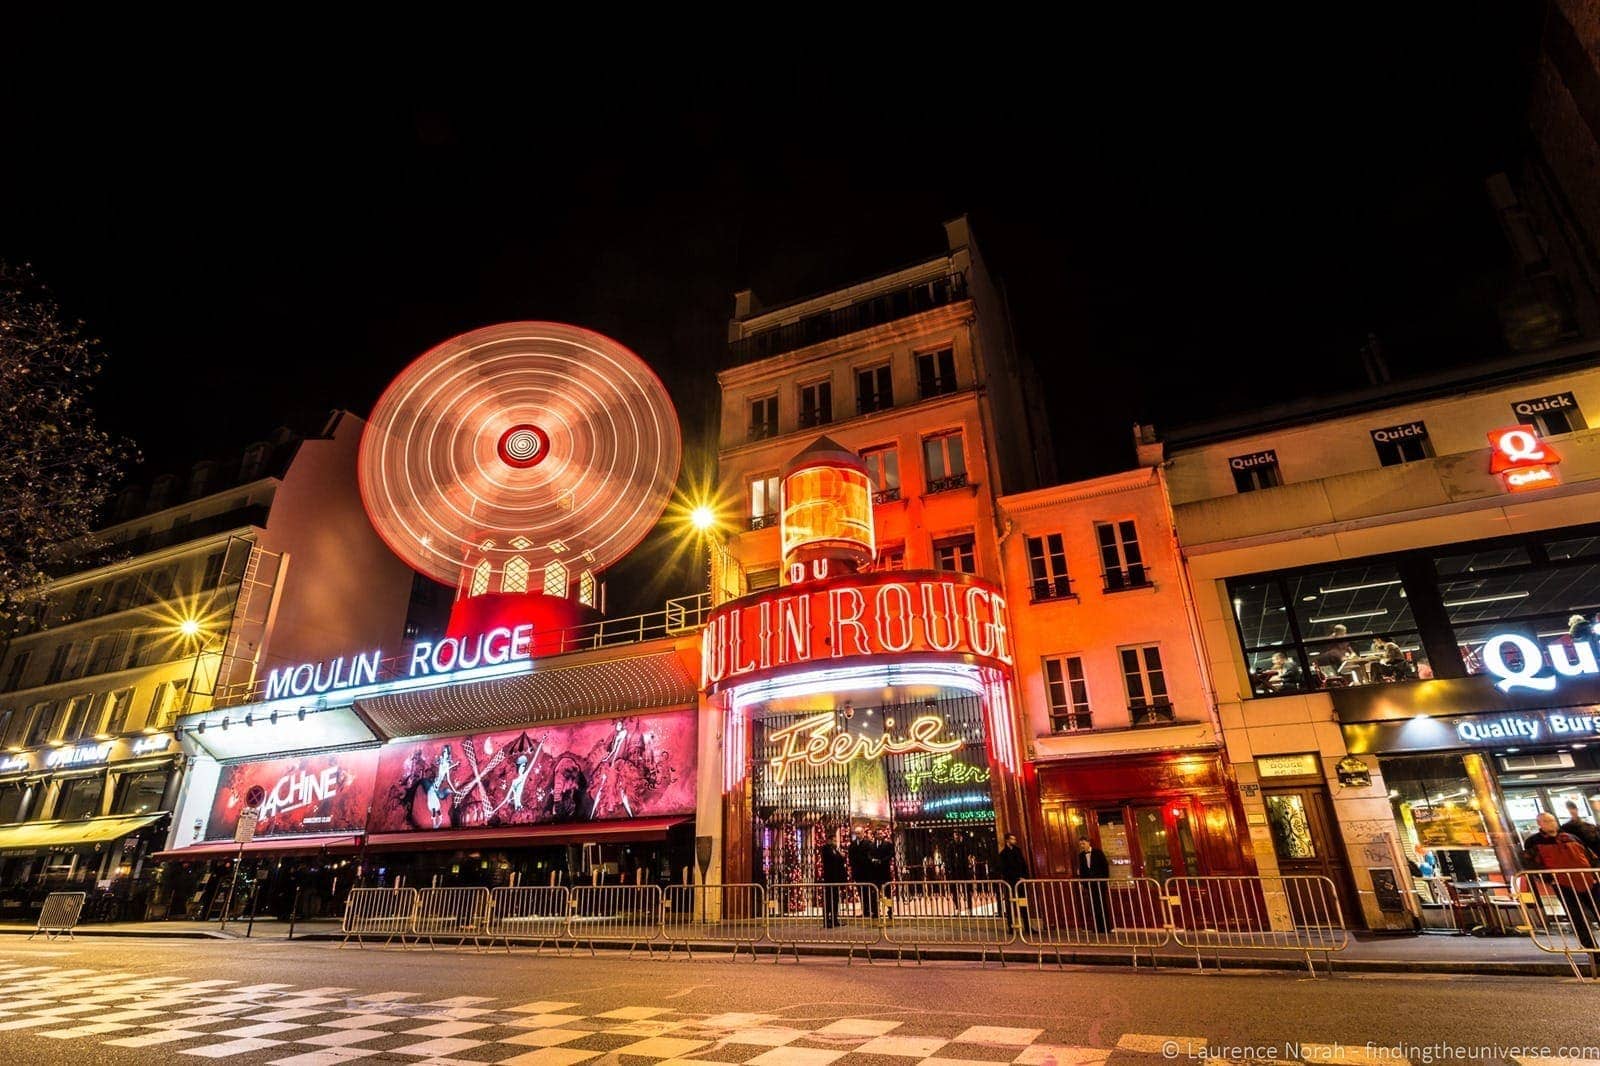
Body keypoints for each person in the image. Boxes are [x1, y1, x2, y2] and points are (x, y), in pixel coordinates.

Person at [1523, 812, 1600, 949]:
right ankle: (1591, 949)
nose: (1551, 823)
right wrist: (1550, 878)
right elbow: (1531, 863)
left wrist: (1594, 875)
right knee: (1577, 917)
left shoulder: (1571, 837)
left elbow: (1588, 856)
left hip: (1586, 878)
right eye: (1546, 821)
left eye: (1552, 820)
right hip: (1562, 883)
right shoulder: (1534, 842)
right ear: (1539, 824)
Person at [996, 832, 1031, 933]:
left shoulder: (1018, 851)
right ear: (1007, 840)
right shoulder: (1003, 854)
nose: (1014, 841)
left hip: (1020, 881)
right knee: (1010, 906)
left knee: (1023, 905)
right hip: (1010, 882)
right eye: (1012, 839)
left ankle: (1027, 927)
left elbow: (1024, 864)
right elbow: (1004, 869)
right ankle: (1011, 927)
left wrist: (1024, 877)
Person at [1077, 838, 1111, 933]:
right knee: (1093, 905)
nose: (1082, 846)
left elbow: (1105, 866)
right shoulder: (1081, 855)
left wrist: (1104, 880)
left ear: (1088, 843)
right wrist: (1083, 883)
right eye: (1080, 844)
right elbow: (1082, 869)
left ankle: (1105, 927)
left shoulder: (1098, 852)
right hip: (1089, 884)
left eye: (1083, 843)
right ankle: (1096, 927)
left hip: (1099, 882)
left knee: (1102, 904)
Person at [819, 833, 847, 929]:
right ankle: (827, 920)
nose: (835, 843)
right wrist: (839, 854)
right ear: (829, 840)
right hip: (829, 879)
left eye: (836, 841)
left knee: (835, 900)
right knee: (828, 900)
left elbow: (840, 860)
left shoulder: (835, 850)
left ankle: (835, 919)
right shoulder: (826, 849)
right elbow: (830, 859)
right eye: (834, 841)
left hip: (836, 879)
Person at [848, 830, 877, 919]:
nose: (858, 835)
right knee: (861, 892)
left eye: (859, 833)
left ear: (863, 834)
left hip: (867, 872)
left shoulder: (868, 843)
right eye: (856, 833)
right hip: (858, 872)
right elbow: (851, 857)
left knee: (870, 892)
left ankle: (874, 911)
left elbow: (870, 856)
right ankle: (865, 911)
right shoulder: (852, 845)